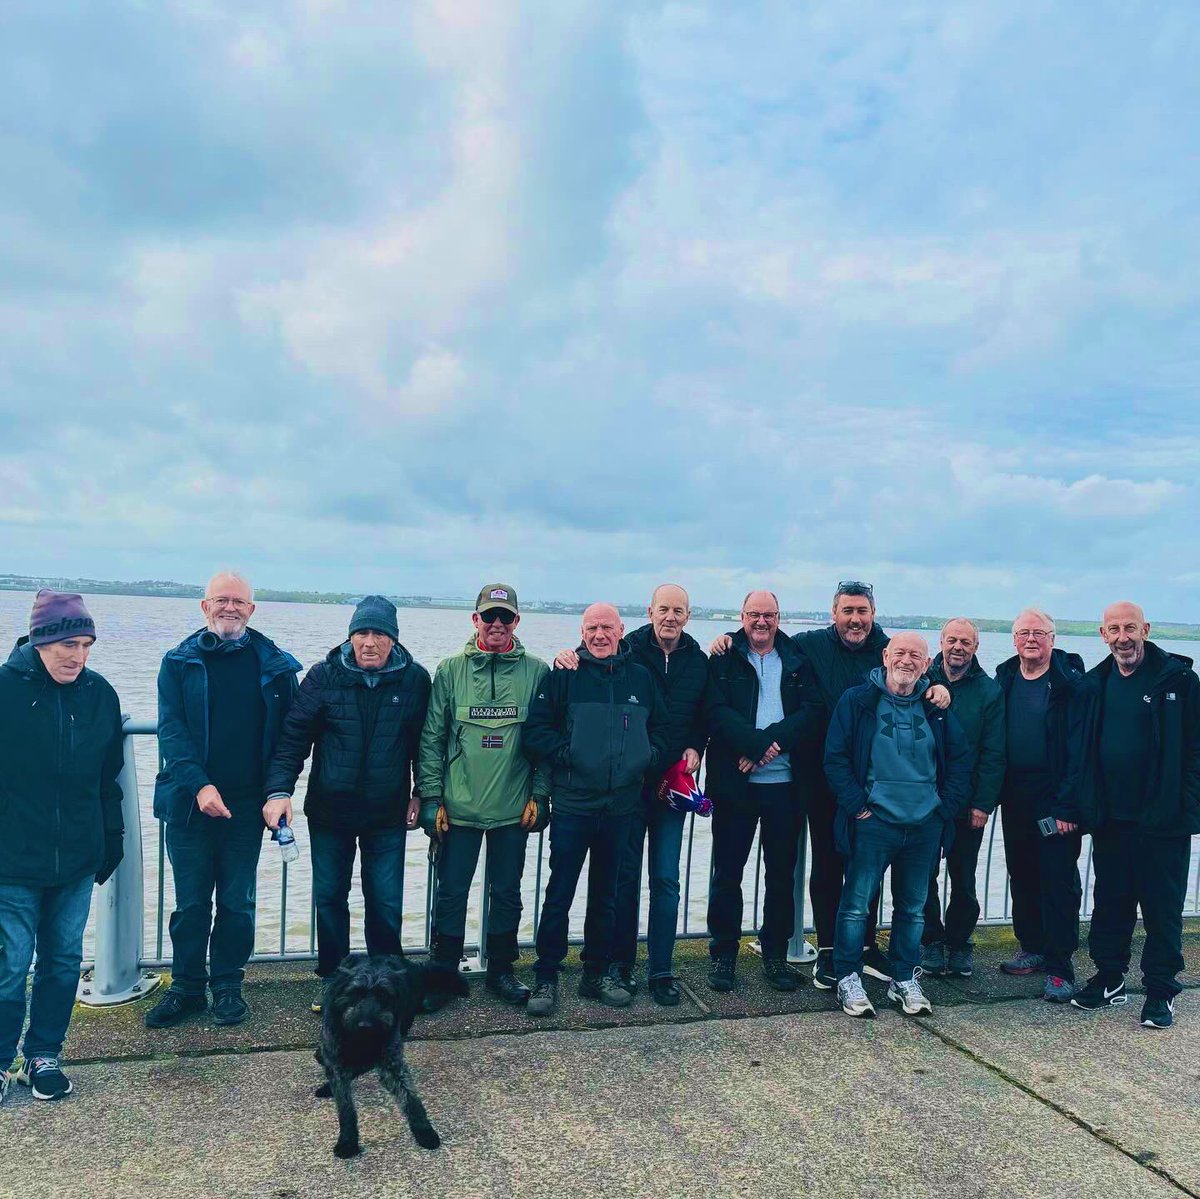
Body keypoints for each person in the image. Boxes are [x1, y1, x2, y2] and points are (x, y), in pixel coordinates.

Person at [710, 581, 949, 989]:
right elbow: (754, 658)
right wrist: (726, 639)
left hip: (870, 784)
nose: (855, 619)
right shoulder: (807, 646)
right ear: (833, 613)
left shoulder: (889, 649)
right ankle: (822, 951)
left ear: (872, 613)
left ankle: (862, 948)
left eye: (862, 611)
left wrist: (939, 687)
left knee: (861, 869)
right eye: (847, 611)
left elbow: (914, 671)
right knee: (821, 866)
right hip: (821, 779)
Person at [144, 572, 301, 1030]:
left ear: (251, 610)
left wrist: (279, 791)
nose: (229, 608)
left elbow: (287, 741)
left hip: (248, 806)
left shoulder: (276, 666)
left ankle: (228, 986)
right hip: (189, 802)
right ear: (204, 607)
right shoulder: (177, 662)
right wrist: (199, 785)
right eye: (220, 601)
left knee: (237, 902)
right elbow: (171, 731)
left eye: (238, 602)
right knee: (190, 904)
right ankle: (187, 987)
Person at [264, 596, 430, 1008]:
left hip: (387, 813)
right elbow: (293, 739)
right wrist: (279, 790)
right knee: (329, 897)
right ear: (350, 636)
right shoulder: (323, 677)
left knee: (385, 900)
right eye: (361, 633)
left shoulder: (415, 680)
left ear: (394, 639)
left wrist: (421, 791)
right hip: (330, 812)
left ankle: (388, 980)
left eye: (379, 634)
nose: (369, 642)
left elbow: (425, 744)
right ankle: (335, 978)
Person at [552, 583, 708, 1005]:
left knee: (666, 878)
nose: (670, 616)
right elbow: (594, 654)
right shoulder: (631, 647)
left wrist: (695, 744)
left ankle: (661, 969)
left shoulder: (700, 660)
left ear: (688, 615)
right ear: (649, 612)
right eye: (663, 609)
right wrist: (565, 655)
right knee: (623, 878)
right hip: (629, 787)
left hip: (673, 782)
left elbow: (702, 713)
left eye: (678, 610)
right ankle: (619, 965)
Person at [0, 591, 124, 1103]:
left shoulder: (99, 694)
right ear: (40, 641)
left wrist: (109, 840)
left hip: (76, 857)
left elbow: (107, 779)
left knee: (63, 959)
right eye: (67, 644)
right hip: (11, 860)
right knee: (9, 963)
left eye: (86, 645)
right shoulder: (5, 690)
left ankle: (44, 1053)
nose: (77, 655)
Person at [521, 603, 669, 1017]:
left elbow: (662, 728)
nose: (599, 634)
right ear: (581, 632)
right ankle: (546, 976)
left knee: (606, 896)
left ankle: (595, 974)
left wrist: (646, 756)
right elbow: (535, 732)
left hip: (622, 805)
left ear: (622, 630)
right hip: (573, 804)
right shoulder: (563, 676)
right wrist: (569, 754)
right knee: (559, 894)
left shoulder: (640, 677)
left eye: (607, 627)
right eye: (591, 628)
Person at [1064, 603, 1200, 1029]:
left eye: (1130, 628)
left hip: (1164, 821)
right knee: (1111, 903)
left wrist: (1186, 807)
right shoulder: (1095, 683)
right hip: (1111, 820)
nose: (1123, 637)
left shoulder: (1178, 681)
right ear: (1102, 635)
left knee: (1162, 909)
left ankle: (1160, 990)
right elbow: (1080, 749)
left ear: (1146, 629)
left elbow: (1196, 750)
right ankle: (1109, 978)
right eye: (1114, 629)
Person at [824, 632, 972, 1018]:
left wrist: (942, 810)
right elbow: (835, 758)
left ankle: (904, 978)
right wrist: (858, 807)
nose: (907, 661)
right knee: (856, 905)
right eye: (900, 653)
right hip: (874, 822)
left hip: (924, 826)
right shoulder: (857, 702)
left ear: (927, 664)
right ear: (886, 656)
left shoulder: (937, 707)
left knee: (913, 909)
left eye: (916, 656)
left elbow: (960, 762)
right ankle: (848, 977)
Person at [417, 584, 551, 1006]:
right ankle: (443, 974)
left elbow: (546, 740)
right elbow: (432, 740)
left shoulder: (538, 671)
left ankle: (502, 970)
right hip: (458, 810)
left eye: (505, 617)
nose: (496, 624)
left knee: (507, 891)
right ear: (475, 619)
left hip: (514, 809)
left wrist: (541, 794)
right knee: (451, 891)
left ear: (516, 621)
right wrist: (432, 798)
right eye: (488, 616)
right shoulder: (450, 670)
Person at [703, 591, 821, 993]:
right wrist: (752, 745)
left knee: (781, 877)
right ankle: (723, 954)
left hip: (786, 788)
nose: (761, 622)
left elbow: (812, 711)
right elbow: (715, 711)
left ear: (778, 617)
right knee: (727, 874)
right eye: (754, 614)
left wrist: (770, 743)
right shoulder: (722, 657)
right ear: (742, 616)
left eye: (768, 615)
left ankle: (774, 955)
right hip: (736, 787)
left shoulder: (798, 659)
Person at [993, 609, 1085, 1002]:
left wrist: (1069, 806)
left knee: (1058, 879)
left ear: (1052, 639)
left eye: (1039, 633)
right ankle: (1031, 946)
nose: (1031, 639)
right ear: (1014, 640)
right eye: (1024, 633)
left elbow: (1080, 750)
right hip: (1016, 796)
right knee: (1023, 874)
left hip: (1056, 800)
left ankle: (1061, 966)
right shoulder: (1005, 678)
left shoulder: (1070, 684)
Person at [919, 619, 1005, 979]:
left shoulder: (989, 691)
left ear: (976, 646)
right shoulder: (922, 680)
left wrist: (983, 804)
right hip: (924, 802)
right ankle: (931, 940)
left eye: (965, 642)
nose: (958, 646)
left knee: (964, 879)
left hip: (968, 803)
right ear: (940, 642)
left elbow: (994, 752)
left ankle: (959, 943)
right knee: (923, 877)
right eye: (952, 640)